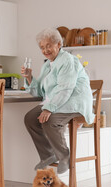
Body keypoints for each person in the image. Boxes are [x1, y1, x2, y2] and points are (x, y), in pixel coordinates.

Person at [21, 28, 94, 174]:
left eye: (49, 45)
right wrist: (29, 77)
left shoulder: (67, 60)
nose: (45, 50)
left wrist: (49, 108)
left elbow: (66, 89)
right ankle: (48, 154)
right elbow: (40, 92)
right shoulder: (47, 65)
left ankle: (64, 156)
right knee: (30, 118)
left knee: (50, 119)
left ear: (58, 44)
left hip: (74, 101)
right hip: (59, 101)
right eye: (42, 47)